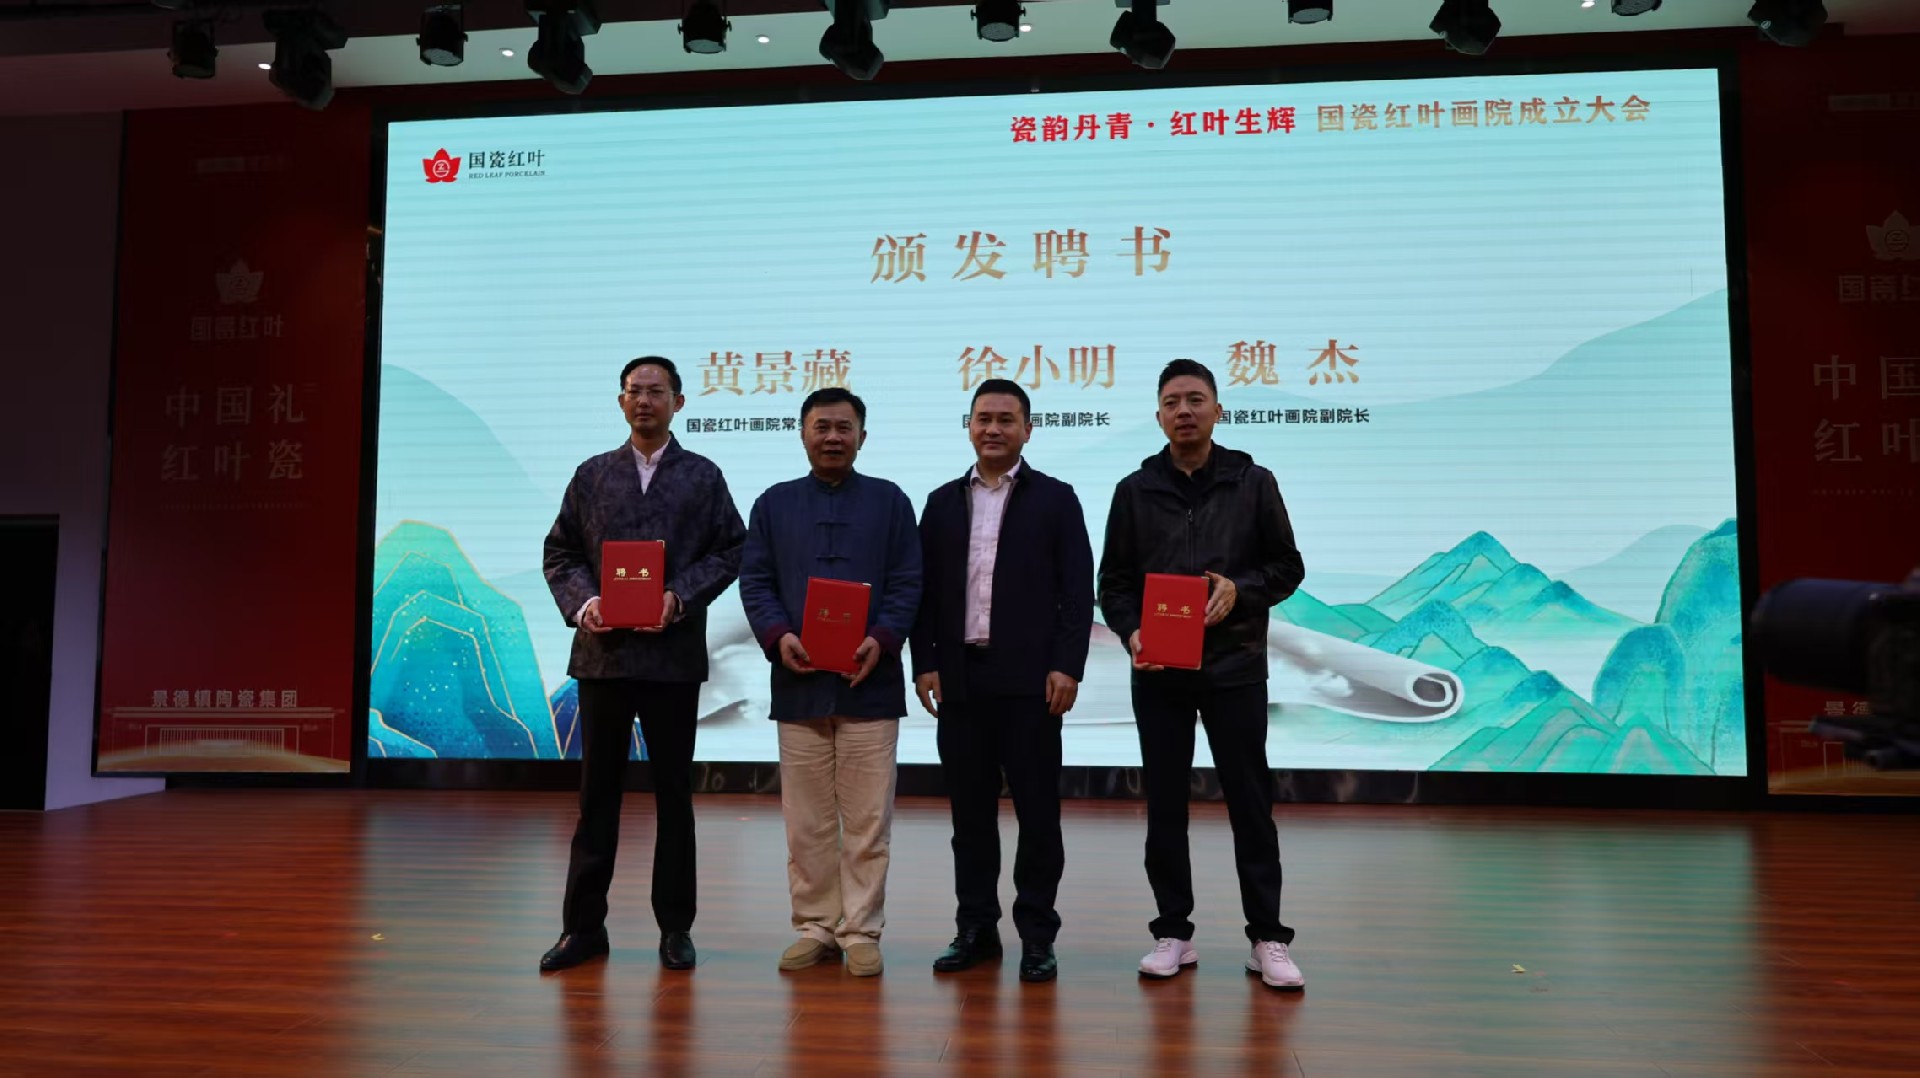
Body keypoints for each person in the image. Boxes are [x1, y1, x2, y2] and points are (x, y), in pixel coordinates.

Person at [1096, 358, 1308, 990]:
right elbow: (1114, 583)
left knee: (1250, 802)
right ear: (1158, 416)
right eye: (1171, 402)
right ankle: (1173, 932)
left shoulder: (1253, 482)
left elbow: (1287, 568)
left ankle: (1267, 937)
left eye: (1195, 399)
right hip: (1159, 670)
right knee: (1165, 804)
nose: (1183, 411)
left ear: (1218, 409)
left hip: (1234, 667)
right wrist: (1131, 630)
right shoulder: (1135, 490)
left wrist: (1239, 590)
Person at [538, 356, 746, 974]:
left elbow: (732, 549)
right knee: (596, 797)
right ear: (621, 401)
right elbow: (560, 553)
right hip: (604, 658)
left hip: (671, 659)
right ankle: (582, 929)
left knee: (674, 797)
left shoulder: (702, 476)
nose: (645, 401)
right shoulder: (592, 475)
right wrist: (586, 604)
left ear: (679, 402)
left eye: (657, 391)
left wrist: (678, 597)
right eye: (635, 391)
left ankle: (675, 928)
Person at [910, 378, 1093, 984]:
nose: (993, 428)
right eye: (983, 418)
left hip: (1032, 683)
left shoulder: (1056, 499)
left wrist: (1068, 666)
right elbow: (924, 593)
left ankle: (1037, 935)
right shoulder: (940, 502)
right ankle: (976, 929)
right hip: (960, 680)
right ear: (969, 425)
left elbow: (1077, 592)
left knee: (1038, 815)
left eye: (1006, 419)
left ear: (1027, 430)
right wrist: (924, 661)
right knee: (970, 818)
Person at [738, 386, 922, 978]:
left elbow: (909, 581)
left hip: (871, 683)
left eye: (845, 428)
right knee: (807, 822)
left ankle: (861, 929)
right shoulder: (773, 504)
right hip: (799, 684)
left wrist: (883, 638)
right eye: (822, 427)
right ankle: (815, 926)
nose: (833, 437)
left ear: (863, 436)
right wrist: (777, 635)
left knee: (868, 821)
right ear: (803, 434)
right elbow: (755, 581)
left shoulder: (891, 502)